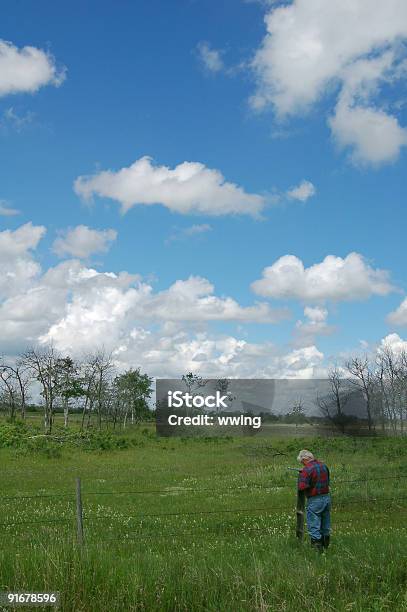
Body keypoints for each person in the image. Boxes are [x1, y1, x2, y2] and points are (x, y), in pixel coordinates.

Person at [297, 449, 331, 551]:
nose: (302, 464)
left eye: (302, 462)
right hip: (326, 498)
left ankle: (317, 550)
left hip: (315, 499)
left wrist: (302, 475)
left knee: (314, 525)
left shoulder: (307, 470)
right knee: (325, 524)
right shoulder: (324, 466)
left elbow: (302, 487)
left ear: (304, 459)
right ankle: (326, 547)